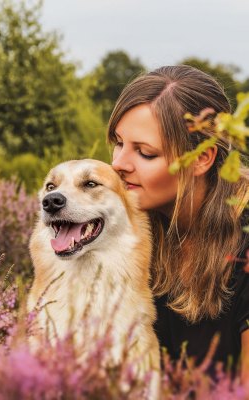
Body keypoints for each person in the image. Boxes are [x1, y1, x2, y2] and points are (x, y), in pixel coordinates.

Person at [107, 65, 249, 387]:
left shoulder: (244, 242)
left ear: (201, 158)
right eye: (119, 143)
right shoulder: (127, 233)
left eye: (145, 152)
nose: (118, 163)